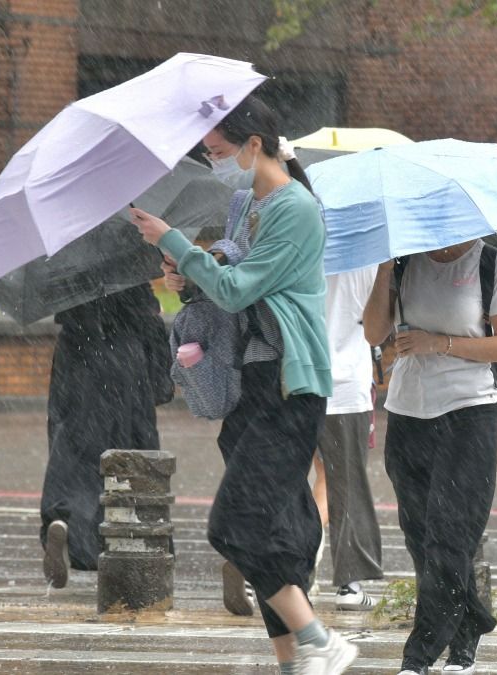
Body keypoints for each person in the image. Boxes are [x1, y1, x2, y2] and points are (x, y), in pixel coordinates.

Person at [131, 95, 357, 674]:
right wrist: (187, 277)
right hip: (250, 380)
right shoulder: (244, 204)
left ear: (254, 144)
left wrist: (174, 242)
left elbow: (238, 289)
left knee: (234, 525)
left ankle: (319, 639)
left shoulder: (296, 208)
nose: (214, 161)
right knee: (278, 529)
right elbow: (228, 281)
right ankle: (292, 660)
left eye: (218, 151)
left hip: (290, 384)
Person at [363, 238, 497, 675]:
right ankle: (468, 629)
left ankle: (419, 654)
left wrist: (439, 343)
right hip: (408, 411)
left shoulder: (490, 263)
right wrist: (383, 270)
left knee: (450, 534)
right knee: (421, 537)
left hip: (469, 410)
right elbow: (373, 334)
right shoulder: (403, 263)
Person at [41, 283, 173, 588]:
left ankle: (63, 518)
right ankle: (127, 540)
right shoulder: (128, 273)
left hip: (74, 357)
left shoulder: (68, 273)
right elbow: (149, 326)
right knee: (130, 452)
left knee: (72, 444)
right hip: (124, 360)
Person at [313, 266, 383, 611]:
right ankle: (349, 584)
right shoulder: (372, 256)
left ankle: (281, 566)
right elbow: (381, 323)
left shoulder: (297, 242)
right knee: (347, 483)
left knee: (289, 480)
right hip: (348, 384)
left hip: (298, 376)